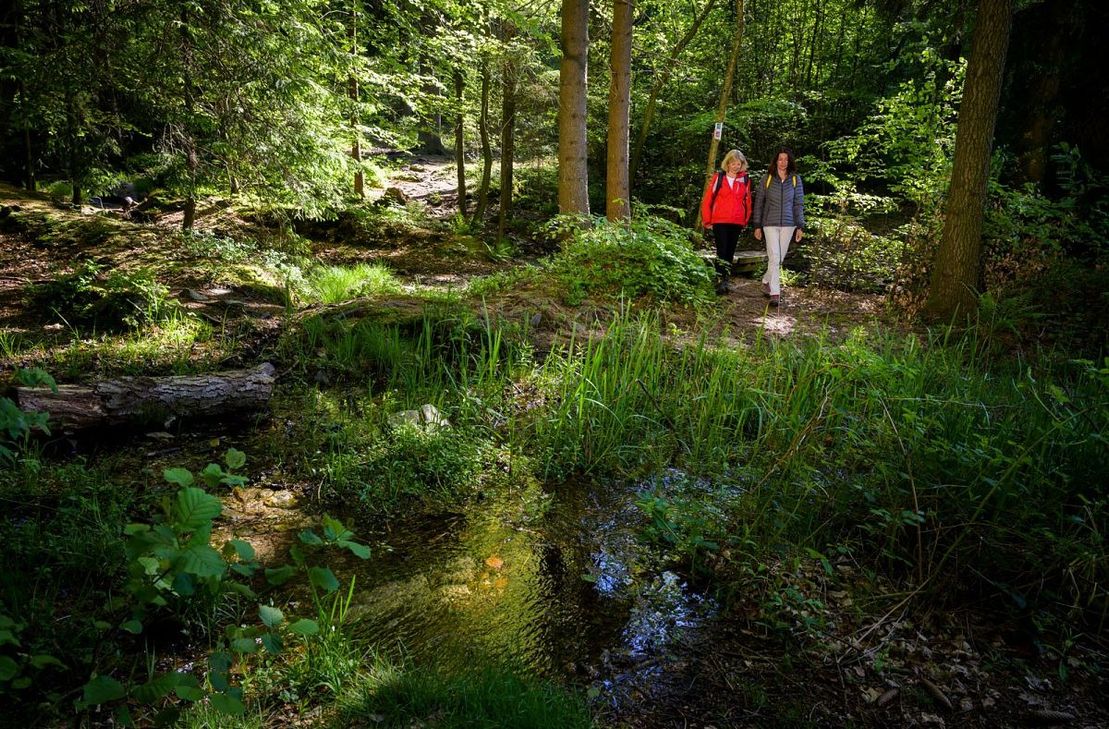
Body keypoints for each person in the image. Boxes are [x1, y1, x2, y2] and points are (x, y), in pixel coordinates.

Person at [752, 147, 805, 307]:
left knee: (778, 259)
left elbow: (798, 204)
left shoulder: (795, 179)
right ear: (775, 161)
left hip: (789, 224)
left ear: (790, 161)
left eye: (786, 159)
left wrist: (800, 226)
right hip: (769, 224)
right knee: (775, 257)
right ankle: (775, 293)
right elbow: (759, 203)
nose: (783, 162)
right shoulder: (767, 179)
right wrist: (757, 225)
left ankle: (766, 280)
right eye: (780, 159)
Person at [700, 149, 752, 294]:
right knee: (721, 250)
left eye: (738, 164)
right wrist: (707, 219)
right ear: (727, 164)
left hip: (736, 221)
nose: (736, 166)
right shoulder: (719, 177)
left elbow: (748, 202)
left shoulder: (745, 180)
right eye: (733, 163)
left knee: (730, 251)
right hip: (720, 220)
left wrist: (745, 220)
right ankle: (719, 280)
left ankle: (726, 279)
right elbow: (708, 199)